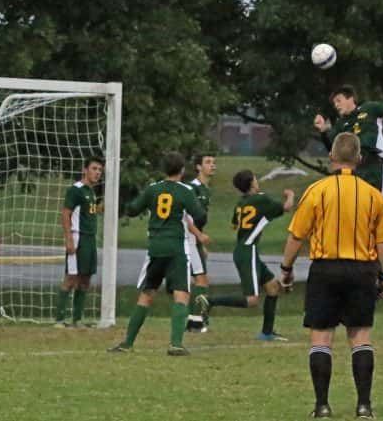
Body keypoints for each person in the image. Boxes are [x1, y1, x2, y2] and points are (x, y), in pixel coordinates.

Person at [279, 132, 383, 418]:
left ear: (332, 158)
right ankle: (364, 406)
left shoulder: (316, 191)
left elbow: (297, 236)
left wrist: (286, 269)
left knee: (321, 338)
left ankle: (322, 406)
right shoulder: (373, 195)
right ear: (358, 159)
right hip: (361, 271)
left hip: (325, 270)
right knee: (360, 337)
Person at [108, 152, 206, 356]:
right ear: (181, 170)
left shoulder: (153, 189)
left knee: (146, 294)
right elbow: (199, 215)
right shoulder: (186, 191)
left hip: (155, 248)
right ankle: (176, 344)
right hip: (176, 248)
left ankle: (127, 343)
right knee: (181, 294)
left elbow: (133, 209)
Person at [196, 170, 294, 341]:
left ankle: (267, 333)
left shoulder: (241, 203)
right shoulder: (261, 199)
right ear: (252, 183)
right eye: (255, 179)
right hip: (248, 251)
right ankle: (210, 301)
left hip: (244, 249)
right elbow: (286, 207)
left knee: (272, 288)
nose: (257, 181)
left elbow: (234, 226)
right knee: (252, 300)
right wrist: (290, 195)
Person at [54, 156, 104, 328]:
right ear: (85, 169)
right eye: (94, 168)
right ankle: (59, 319)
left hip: (90, 239)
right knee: (72, 277)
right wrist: (69, 239)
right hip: (78, 237)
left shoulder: (91, 192)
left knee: (86, 277)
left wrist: (99, 208)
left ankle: (77, 319)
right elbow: (66, 214)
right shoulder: (76, 190)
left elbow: (88, 212)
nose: (97, 173)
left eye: (99, 170)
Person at [185, 154, 216, 333]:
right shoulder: (192, 188)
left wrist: (200, 242)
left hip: (194, 239)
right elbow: (187, 218)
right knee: (200, 280)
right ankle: (196, 322)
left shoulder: (206, 189)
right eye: (208, 162)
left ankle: (195, 320)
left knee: (199, 280)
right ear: (198, 167)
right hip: (187, 238)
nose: (212, 166)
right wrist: (199, 236)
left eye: (214, 162)